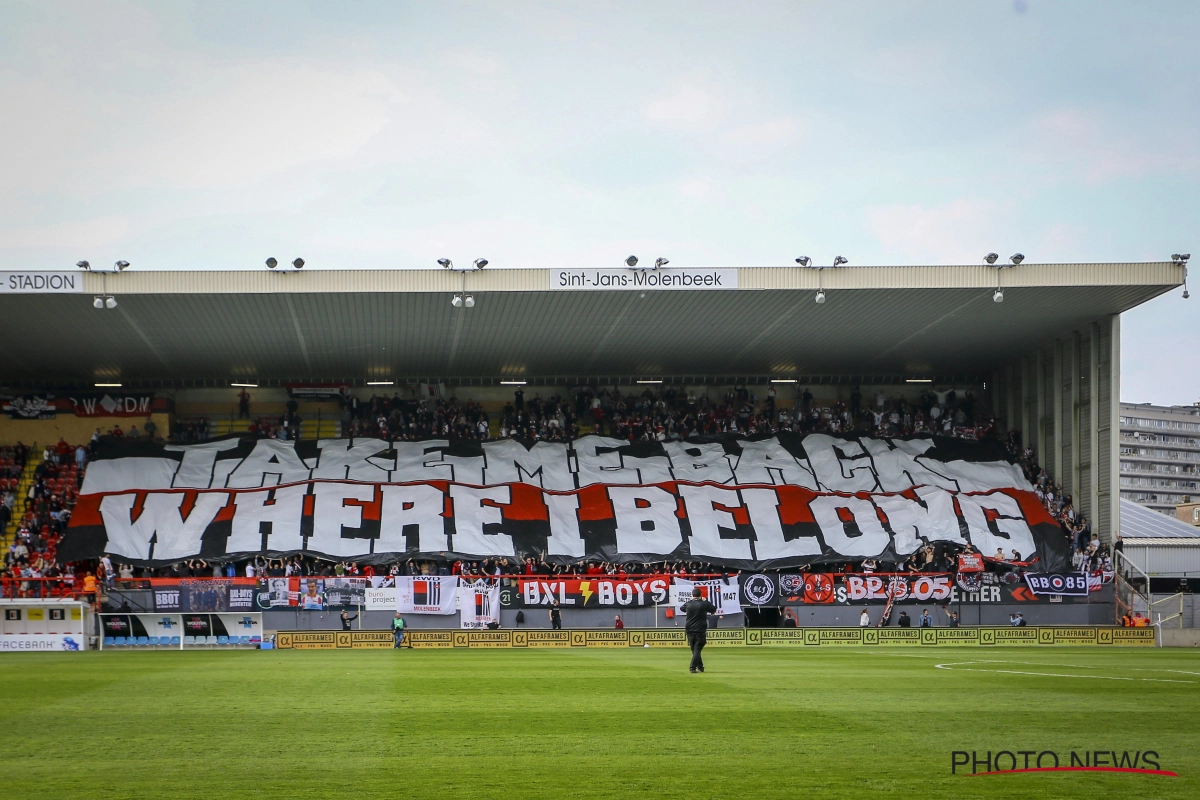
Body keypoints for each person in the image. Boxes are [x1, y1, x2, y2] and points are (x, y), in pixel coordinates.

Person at [681, 587, 716, 674]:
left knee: (694, 650)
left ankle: (700, 667)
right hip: (700, 629)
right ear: (701, 595)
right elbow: (713, 609)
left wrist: (691, 601)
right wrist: (705, 601)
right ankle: (693, 667)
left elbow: (682, 608)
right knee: (697, 650)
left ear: (692, 595)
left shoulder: (688, 604)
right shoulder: (704, 604)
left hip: (689, 630)